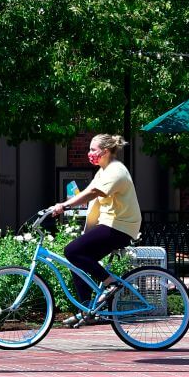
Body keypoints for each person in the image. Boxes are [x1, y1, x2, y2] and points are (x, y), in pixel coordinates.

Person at [50, 133, 142, 326]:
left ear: (105, 151)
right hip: (109, 224)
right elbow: (88, 196)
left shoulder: (116, 171)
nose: (89, 153)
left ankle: (111, 283)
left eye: (93, 149)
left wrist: (64, 206)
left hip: (120, 226)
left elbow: (92, 193)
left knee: (71, 250)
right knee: (77, 260)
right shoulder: (103, 171)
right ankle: (86, 310)